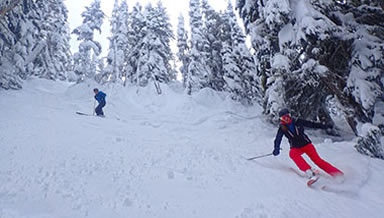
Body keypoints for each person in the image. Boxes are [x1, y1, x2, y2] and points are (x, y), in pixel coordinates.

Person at [273, 108, 344, 184]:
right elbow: (278, 139)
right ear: (281, 119)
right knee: (292, 154)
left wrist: (324, 126)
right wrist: (276, 149)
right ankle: (310, 172)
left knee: (318, 161)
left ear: (290, 115)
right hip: (296, 147)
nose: (286, 119)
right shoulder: (282, 128)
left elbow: (312, 124)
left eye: (287, 116)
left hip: (306, 145)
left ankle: (338, 174)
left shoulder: (298, 121)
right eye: (284, 118)